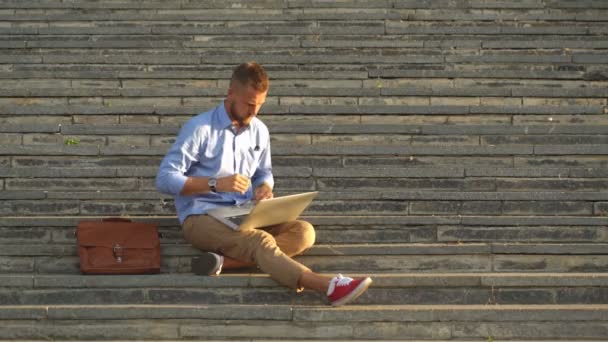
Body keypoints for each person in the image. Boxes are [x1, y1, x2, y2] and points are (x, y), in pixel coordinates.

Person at [155, 62, 372, 306]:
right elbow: (165, 179)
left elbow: (263, 172)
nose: (254, 111)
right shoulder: (200, 128)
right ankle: (327, 286)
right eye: (249, 104)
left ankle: (225, 263)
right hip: (200, 217)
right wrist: (215, 183)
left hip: (244, 212)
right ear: (230, 93)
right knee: (260, 241)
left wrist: (264, 187)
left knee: (304, 232)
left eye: (260, 104)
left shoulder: (259, 130)